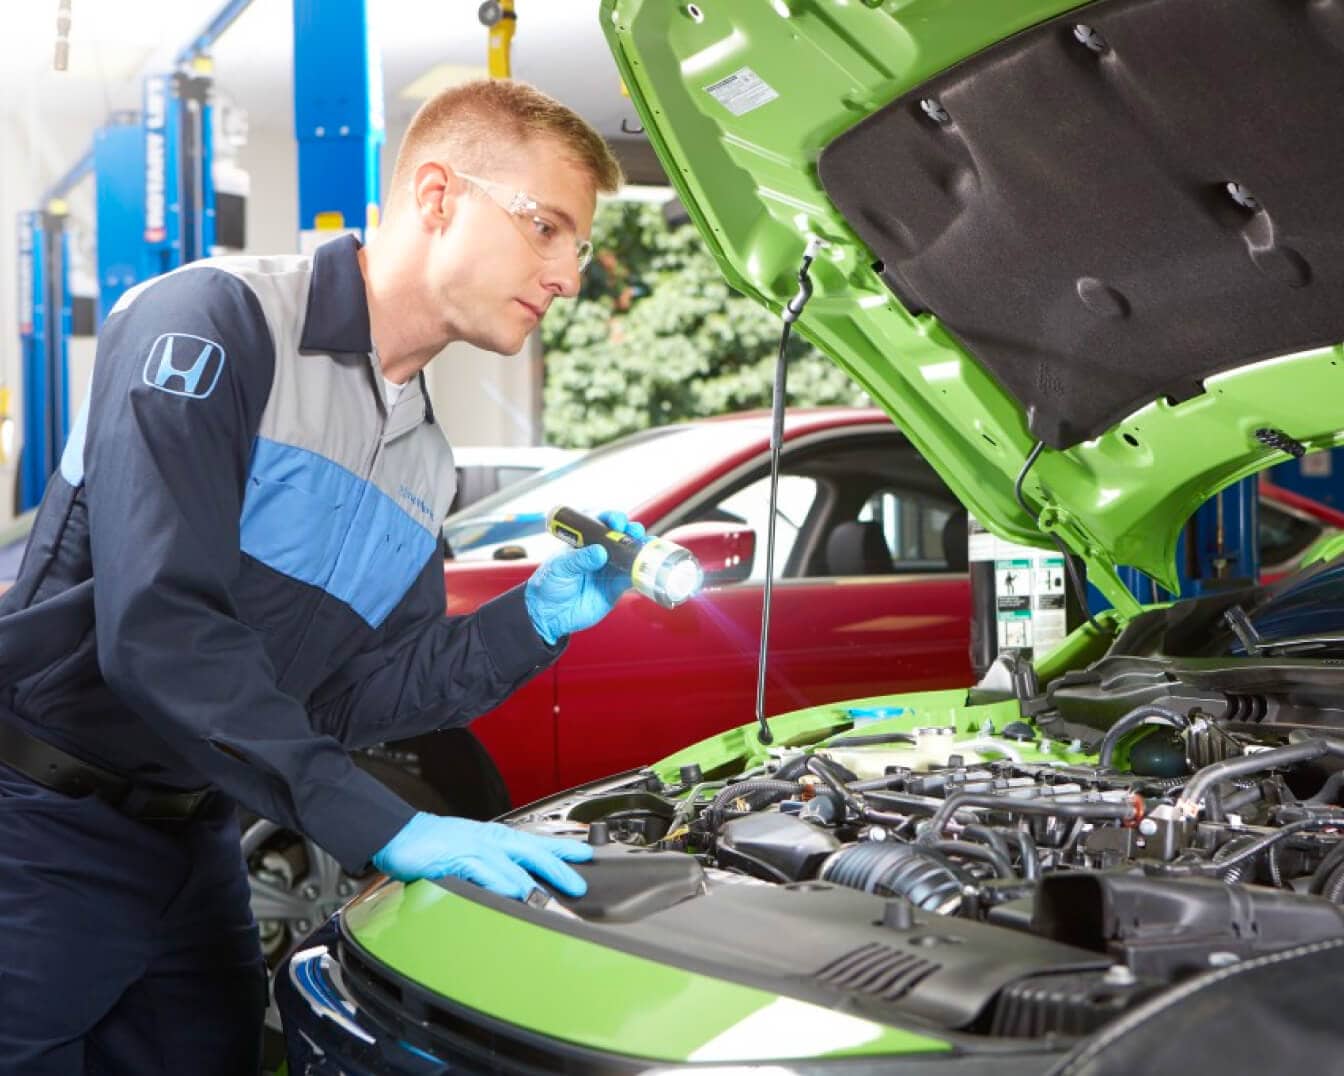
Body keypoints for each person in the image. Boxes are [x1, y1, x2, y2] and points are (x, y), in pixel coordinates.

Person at [0, 79, 628, 1074]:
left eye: (580, 247)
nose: (567, 275)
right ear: (435, 196)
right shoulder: (215, 322)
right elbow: (160, 630)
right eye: (547, 227)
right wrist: (389, 825)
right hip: (36, 828)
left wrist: (531, 623)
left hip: (196, 838)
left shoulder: (426, 459)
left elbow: (345, 698)